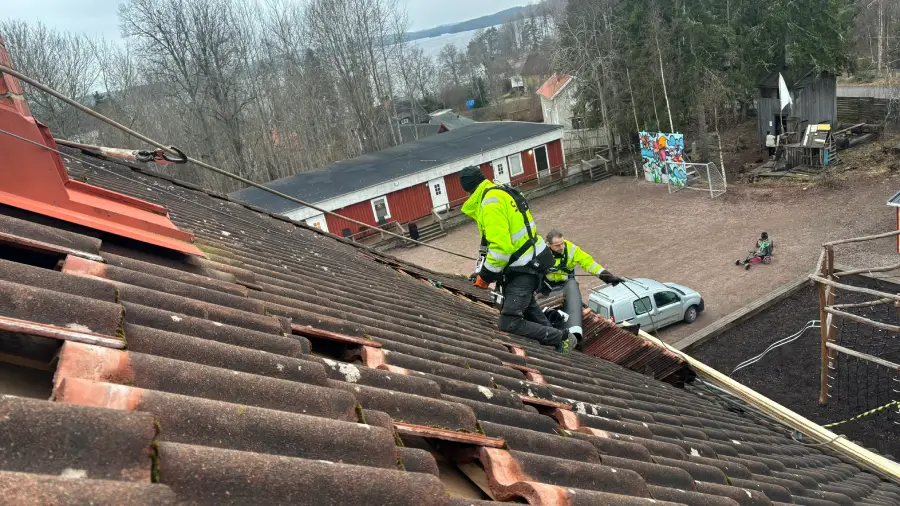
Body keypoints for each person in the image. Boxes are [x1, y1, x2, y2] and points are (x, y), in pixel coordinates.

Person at [458, 166, 577, 354]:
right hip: (532, 261)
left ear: (467, 190)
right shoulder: (501, 192)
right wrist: (483, 269)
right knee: (528, 306)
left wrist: (485, 277)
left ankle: (562, 338)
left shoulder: (489, 203)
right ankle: (560, 343)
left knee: (509, 322)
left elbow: (501, 248)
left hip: (524, 268)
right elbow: (492, 242)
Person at [544, 229, 621, 293]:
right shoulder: (542, 252)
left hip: (567, 283)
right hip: (546, 285)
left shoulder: (572, 249)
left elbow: (589, 263)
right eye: (557, 245)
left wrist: (608, 277)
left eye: (562, 243)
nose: (561, 247)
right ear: (549, 244)